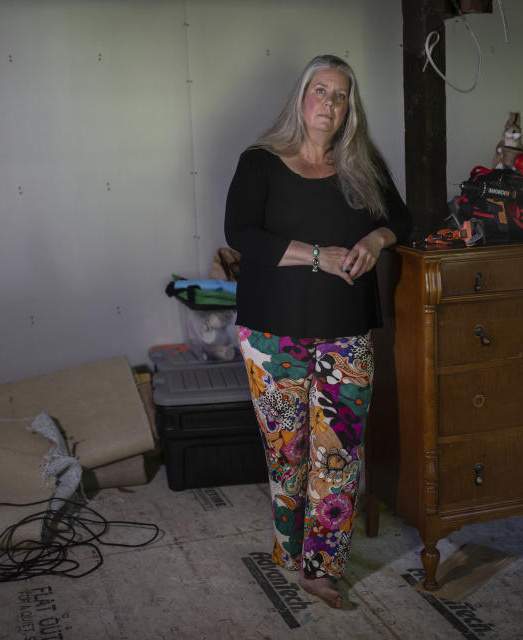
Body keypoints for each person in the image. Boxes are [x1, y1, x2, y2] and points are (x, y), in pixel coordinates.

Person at [223, 54, 412, 608]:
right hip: (271, 334)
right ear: (301, 97)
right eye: (320, 91)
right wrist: (317, 257)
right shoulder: (259, 162)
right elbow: (240, 233)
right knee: (290, 453)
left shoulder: (362, 162)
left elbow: (400, 221)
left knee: (340, 452)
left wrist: (376, 243)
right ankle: (290, 548)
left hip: (345, 333)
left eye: (341, 95)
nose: (329, 104)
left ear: (350, 106)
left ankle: (319, 568)